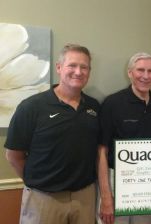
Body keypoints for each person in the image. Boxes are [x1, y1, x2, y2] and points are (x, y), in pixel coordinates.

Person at [4, 44, 99, 224]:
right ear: (59, 67)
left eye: (84, 67)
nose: (78, 72)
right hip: (44, 199)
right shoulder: (32, 107)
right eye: (72, 65)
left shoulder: (94, 107)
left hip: (85, 197)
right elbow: (13, 156)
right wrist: (38, 183)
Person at [97, 52, 151, 224]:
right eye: (140, 70)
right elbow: (101, 151)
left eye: (150, 71)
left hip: (149, 184)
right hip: (117, 181)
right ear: (130, 73)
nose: (145, 76)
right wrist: (106, 197)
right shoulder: (112, 103)